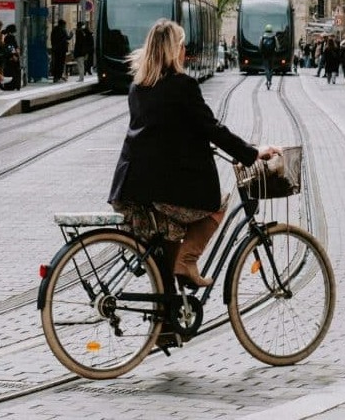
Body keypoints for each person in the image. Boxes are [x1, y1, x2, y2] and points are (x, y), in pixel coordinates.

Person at [109, 19, 280, 291]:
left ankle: (166, 324)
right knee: (217, 205)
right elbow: (211, 128)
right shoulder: (182, 85)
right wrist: (252, 152)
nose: (184, 50)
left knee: (166, 247)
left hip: (132, 186)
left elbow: (162, 130)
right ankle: (187, 261)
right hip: (162, 189)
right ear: (174, 49)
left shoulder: (138, 86)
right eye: (182, 45)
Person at [2, 25, 21, 90]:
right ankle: (15, 85)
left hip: (10, 56)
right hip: (13, 56)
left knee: (10, 70)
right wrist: (13, 55)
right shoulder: (10, 36)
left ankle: (10, 85)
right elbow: (11, 46)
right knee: (15, 71)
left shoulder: (7, 36)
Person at [259, 24, 278, 90]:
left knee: (266, 68)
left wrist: (261, 51)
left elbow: (260, 47)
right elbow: (277, 47)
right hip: (272, 55)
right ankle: (270, 80)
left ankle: (267, 80)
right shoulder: (274, 37)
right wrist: (276, 50)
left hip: (265, 55)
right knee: (271, 68)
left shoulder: (262, 37)